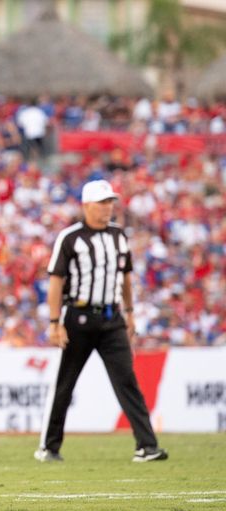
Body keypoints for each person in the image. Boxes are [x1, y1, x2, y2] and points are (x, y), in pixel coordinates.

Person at [35, 180, 168, 463]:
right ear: (86, 205)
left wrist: (130, 312)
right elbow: (56, 281)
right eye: (102, 202)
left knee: (127, 381)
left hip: (111, 318)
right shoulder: (70, 238)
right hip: (78, 319)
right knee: (65, 383)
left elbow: (126, 277)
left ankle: (147, 445)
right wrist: (55, 321)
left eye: (110, 202)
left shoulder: (119, 237)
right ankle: (50, 446)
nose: (108, 208)